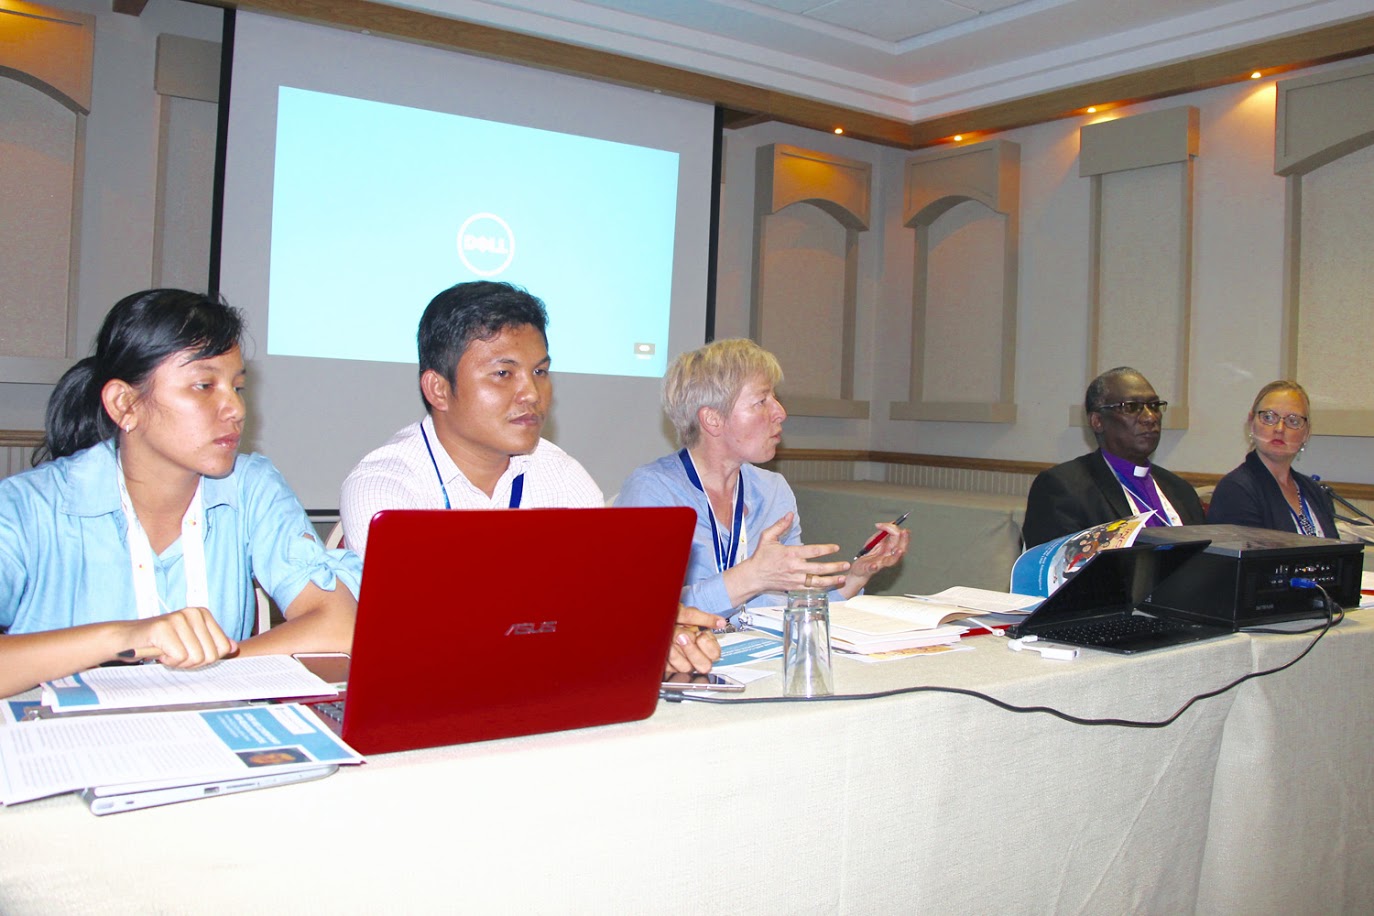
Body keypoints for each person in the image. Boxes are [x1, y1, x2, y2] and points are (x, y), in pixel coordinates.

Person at [340, 281, 720, 674]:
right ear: (438, 389)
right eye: (503, 373)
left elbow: (603, 602)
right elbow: (422, 634)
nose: (532, 394)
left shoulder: (561, 475)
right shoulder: (384, 487)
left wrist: (653, 627)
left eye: (540, 371)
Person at [0, 289, 360, 697]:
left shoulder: (249, 486)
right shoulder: (28, 507)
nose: (235, 409)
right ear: (124, 404)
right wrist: (123, 639)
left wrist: (203, 673)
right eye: (204, 385)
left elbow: (337, 625)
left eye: (237, 387)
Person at [617, 338, 909, 619]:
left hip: (760, 664)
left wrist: (855, 578)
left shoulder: (772, 490)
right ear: (712, 419)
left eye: (775, 399)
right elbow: (637, 609)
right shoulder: (652, 492)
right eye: (761, 401)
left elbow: (789, 607)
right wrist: (751, 577)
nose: (780, 413)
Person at [1022, 366, 1205, 548]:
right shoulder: (1063, 488)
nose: (1150, 418)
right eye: (1131, 407)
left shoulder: (1180, 490)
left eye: (1154, 406)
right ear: (1097, 421)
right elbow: (1062, 571)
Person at [1206, 380, 1336, 536]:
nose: (1279, 429)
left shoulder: (1313, 491)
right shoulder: (1236, 489)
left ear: (1306, 433)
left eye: (1293, 421)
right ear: (1251, 424)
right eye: (1268, 417)